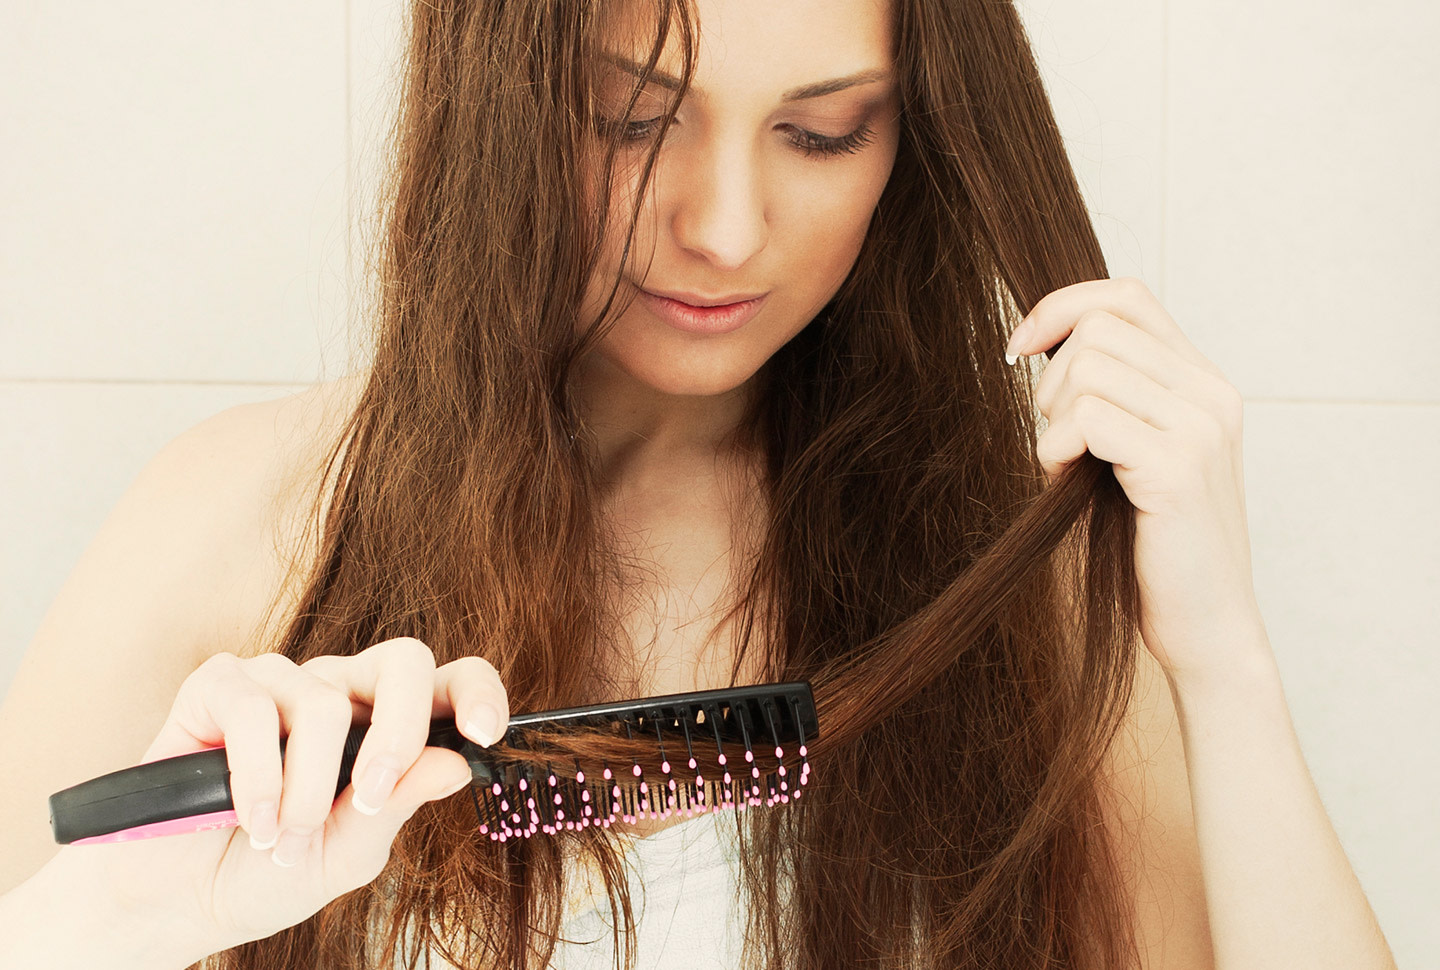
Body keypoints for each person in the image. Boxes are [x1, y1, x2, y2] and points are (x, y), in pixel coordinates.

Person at [0, 0, 1399, 967]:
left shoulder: (1008, 584)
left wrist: (1224, 656)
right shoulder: (236, 526)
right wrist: (110, 923)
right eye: (631, 120)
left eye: (824, 131)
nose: (726, 228)